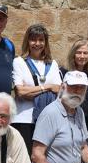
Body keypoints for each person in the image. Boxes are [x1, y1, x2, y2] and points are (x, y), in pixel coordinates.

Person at [11, 24, 61, 155]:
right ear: (27, 41)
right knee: (25, 160)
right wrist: (48, 87)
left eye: (41, 40)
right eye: (33, 39)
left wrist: (32, 91)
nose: (37, 43)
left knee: (45, 159)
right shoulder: (19, 62)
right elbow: (20, 92)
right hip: (24, 120)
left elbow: (59, 90)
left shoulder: (53, 64)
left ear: (46, 42)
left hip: (47, 119)